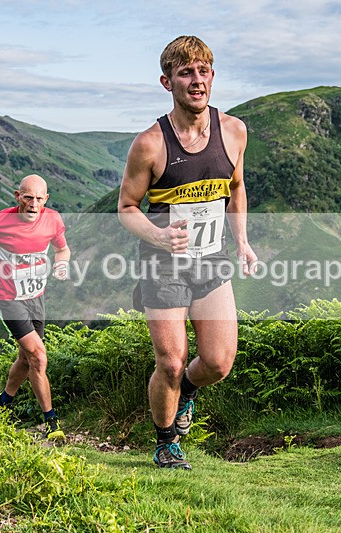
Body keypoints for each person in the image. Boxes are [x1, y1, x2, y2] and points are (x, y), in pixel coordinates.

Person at [118, 35, 257, 469]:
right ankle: (165, 442)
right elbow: (125, 208)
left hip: (212, 257)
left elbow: (235, 188)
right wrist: (158, 238)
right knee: (172, 362)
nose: (196, 81)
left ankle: (188, 395)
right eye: (185, 73)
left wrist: (242, 241)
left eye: (203, 72)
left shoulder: (234, 131)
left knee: (216, 362)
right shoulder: (150, 143)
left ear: (212, 76)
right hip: (163, 263)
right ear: (167, 81)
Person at [0, 174, 70, 441]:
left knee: (25, 358)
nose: (33, 204)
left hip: (36, 297)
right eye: (28, 198)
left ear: (46, 200)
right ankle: (52, 424)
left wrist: (62, 263)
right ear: (17, 195)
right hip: (8, 298)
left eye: (39, 199)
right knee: (39, 357)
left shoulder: (52, 219)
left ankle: (2, 403)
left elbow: (62, 250)